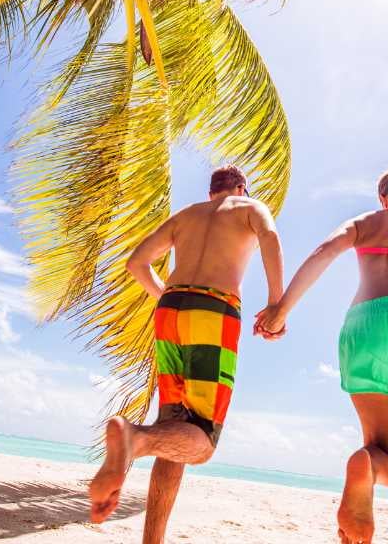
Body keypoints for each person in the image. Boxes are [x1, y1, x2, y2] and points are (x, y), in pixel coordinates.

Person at [255, 161, 388, 544]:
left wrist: (280, 311)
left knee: (385, 454)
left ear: (383, 199)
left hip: (362, 325)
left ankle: (366, 465)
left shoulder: (363, 223)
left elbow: (323, 253)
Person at [89, 164, 285, 543]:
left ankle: (153, 539)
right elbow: (270, 236)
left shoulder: (187, 216)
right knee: (202, 440)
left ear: (211, 190)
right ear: (242, 188)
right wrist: (276, 302)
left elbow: (136, 263)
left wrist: (167, 296)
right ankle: (133, 439)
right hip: (214, 308)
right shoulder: (249, 207)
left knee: (174, 429)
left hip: (170, 310)